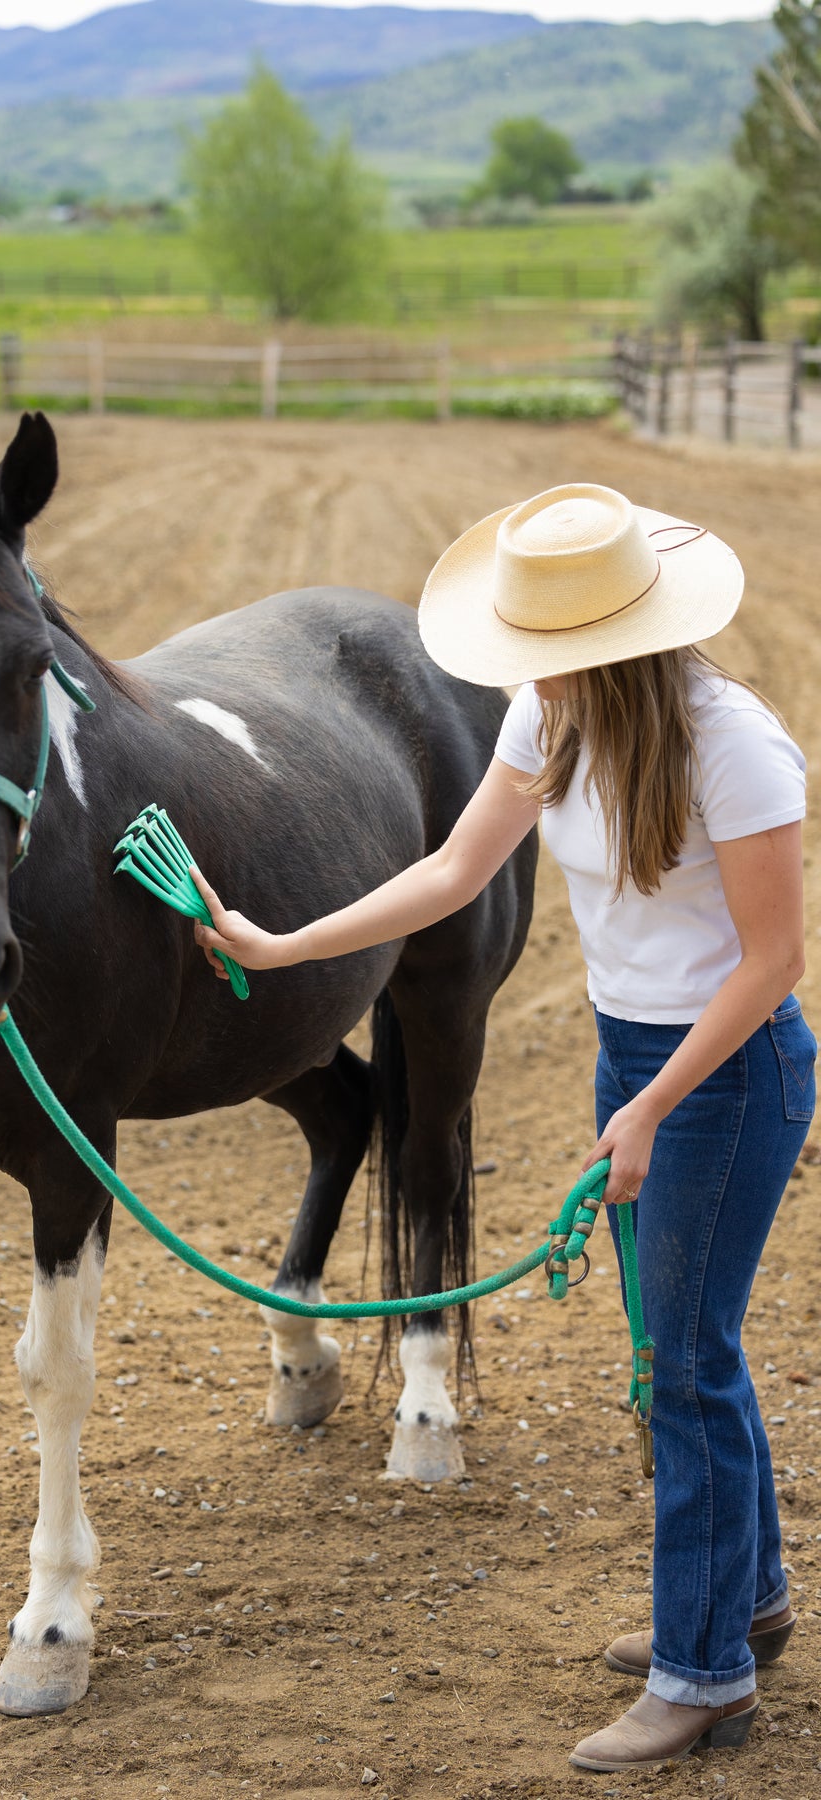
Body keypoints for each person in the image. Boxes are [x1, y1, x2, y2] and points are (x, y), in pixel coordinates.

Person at [190, 483, 813, 1774]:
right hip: (637, 1058)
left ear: (612, 647)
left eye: (548, 654)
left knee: (686, 1368)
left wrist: (649, 1108)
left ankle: (701, 1675)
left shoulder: (733, 746)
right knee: (686, 1348)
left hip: (730, 1071)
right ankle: (744, 1608)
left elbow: (770, 962)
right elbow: (452, 874)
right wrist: (288, 945)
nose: (526, 674)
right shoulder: (551, 718)